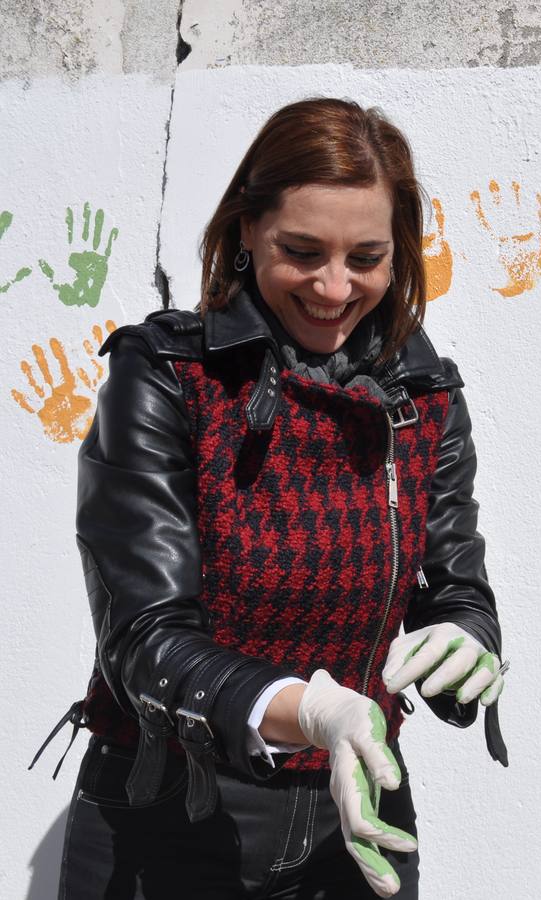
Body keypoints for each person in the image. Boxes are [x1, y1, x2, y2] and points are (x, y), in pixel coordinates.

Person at [49, 98, 507, 899]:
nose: (335, 287)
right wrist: (312, 711)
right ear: (246, 230)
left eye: (366, 258)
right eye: (303, 251)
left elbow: (454, 586)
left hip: (357, 807)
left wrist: (465, 640)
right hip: (168, 815)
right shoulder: (165, 375)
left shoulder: (422, 392)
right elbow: (144, 638)